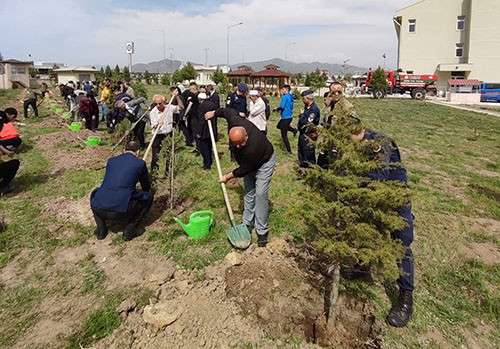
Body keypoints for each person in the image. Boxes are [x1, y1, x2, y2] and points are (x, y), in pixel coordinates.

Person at [343, 115, 415, 328]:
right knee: (365, 230)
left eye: (348, 139)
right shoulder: (357, 144)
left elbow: (378, 180)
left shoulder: (380, 145)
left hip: (394, 197)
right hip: (369, 196)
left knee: (402, 244)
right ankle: (363, 267)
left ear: (358, 132)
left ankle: (405, 297)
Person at [205, 107, 276, 247]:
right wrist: (212, 113)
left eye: (241, 143)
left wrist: (227, 176)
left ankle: (262, 230)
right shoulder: (235, 120)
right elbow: (226, 111)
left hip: (264, 162)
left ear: (247, 136)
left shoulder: (253, 146)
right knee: (249, 193)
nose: (238, 147)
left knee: (260, 193)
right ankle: (247, 223)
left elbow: (245, 169)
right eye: (235, 144)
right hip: (247, 163)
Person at [90, 140, 153, 241]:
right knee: (148, 196)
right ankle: (130, 229)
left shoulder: (111, 160)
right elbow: (146, 187)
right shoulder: (140, 164)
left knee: (95, 193)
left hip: (99, 207)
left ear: (124, 150)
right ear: (138, 152)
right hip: (121, 212)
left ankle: (101, 229)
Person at [149, 92, 184, 173]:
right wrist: (157, 125)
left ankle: (168, 172)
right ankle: (154, 173)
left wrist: (177, 97)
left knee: (169, 154)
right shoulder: (153, 112)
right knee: (155, 156)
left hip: (168, 134)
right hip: (157, 135)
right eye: (156, 104)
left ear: (164, 102)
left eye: (160, 103)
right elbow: (153, 126)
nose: (158, 105)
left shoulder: (169, 108)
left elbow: (181, 107)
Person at [297, 90, 320, 167]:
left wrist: (301, 115)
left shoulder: (314, 109)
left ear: (309, 98)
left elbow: (307, 122)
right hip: (303, 133)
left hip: (309, 135)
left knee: (308, 154)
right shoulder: (306, 107)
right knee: (301, 153)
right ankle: (303, 170)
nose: (302, 100)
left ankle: (310, 171)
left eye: (304, 99)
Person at [195, 93, 217, 170]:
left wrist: (199, 132)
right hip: (212, 130)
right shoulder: (213, 104)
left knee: (204, 149)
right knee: (210, 146)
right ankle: (210, 161)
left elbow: (201, 120)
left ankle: (207, 165)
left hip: (204, 131)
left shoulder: (201, 106)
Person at [275, 84, 296, 154]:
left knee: (284, 136)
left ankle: (289, 151)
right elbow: (292, 106)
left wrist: (276, 109)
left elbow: (282, 107)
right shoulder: (291, 96)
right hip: (289, 117)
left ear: (286, 89)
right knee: (279, 126)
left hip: (285, 118)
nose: (281, 91)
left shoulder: (284, 97)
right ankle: (294, 130)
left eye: (283, 89)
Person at [181, 82, 199, 148]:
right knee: (190, 129)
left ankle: (197, 145)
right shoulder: (193, 95)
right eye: (190, 89)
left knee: (195, 130)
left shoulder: (194, 96)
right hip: (191, 116)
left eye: (191, 89)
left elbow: (189, 106)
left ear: (195, 89)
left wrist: (185, 114)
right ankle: (191, 142)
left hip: (195, 116)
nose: (190, 90)